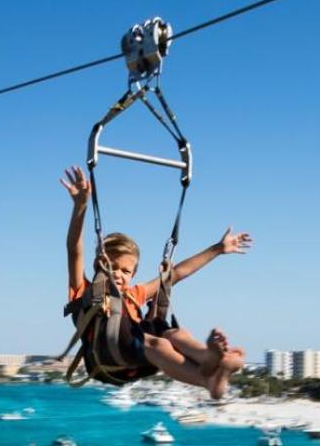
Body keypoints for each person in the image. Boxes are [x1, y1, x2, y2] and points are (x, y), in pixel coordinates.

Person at [61, 166, 250, 399]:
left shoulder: (134, 294)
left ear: (133, 274)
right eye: (112, 267)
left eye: (125, 271)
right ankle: (207, 380)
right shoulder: (85, 291)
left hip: (141, 358)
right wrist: (80, 205)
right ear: (99, 265)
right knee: (159, 344)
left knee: (175, 334)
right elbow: (74, 250)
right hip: (110, 359)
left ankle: (210, 359)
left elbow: (177, 273)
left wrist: (218, 249)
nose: (118, 274)